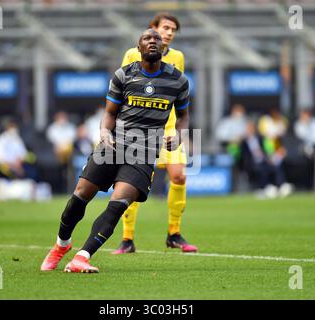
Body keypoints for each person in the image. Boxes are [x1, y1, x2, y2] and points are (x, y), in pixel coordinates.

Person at [40, 29, 190, 273]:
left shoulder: (178, 81)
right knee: (80, 194)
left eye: (157, 39)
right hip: (114, 144)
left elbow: (183, 116)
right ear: (138, 48)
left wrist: (180, 135)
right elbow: (109, 113)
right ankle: (61, 245)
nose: (153, 41)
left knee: (118, 203)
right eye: (147, 39)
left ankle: (82, 256)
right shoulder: (123, 75)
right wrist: (104, 132)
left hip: (144, 151)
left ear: (163, 47)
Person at [113, 12, 197, 254]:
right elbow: (122, 87)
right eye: (166, 28)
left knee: (179, 176)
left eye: (173, 30)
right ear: (153, 28)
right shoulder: (132, 54)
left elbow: (177, 93)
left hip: (168, 127)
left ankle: (174, 233)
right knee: (133, 183)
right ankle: (127, 239)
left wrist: (180, 129)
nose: (170, 33)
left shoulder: (178, 57)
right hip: (139, 128)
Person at [240, 121, 292, 198]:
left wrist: (269, 157)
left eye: (251, 128)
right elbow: (244, 155)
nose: (249, 130)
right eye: (248, 129)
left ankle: (281, 185)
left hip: (264, 160)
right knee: (261, 168)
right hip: (252, 162)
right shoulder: (243, 142)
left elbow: (267, 149)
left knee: (276, 166)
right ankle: (264, 188)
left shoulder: (260, 138)